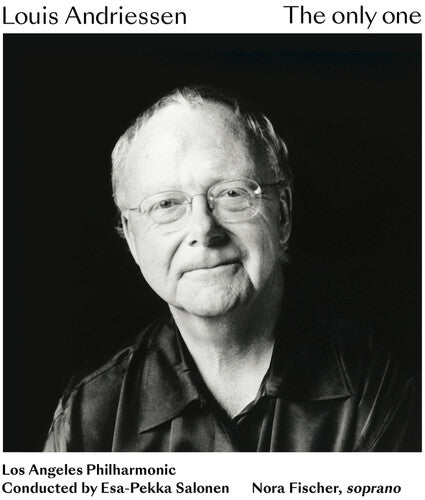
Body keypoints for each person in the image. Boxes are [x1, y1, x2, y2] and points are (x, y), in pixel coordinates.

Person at [44, 86, 416, 452]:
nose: (203, 230)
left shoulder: (384, 378)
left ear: (282, 213)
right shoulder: (88, 413)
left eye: (232, 193)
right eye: (166, 204)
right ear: (131, 236)